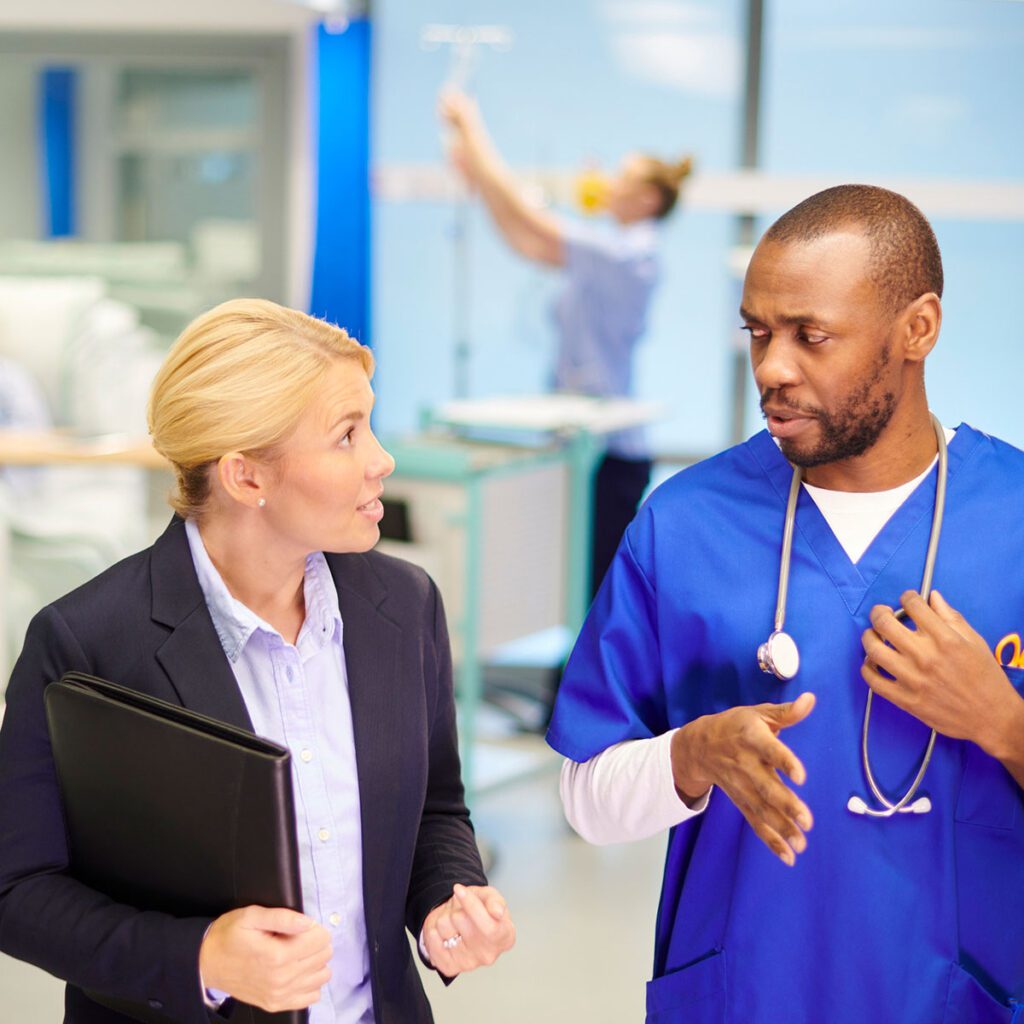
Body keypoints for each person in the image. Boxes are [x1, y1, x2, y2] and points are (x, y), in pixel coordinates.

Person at [547, 185, 1024, 1022]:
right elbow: (585, 795)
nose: (772, 366)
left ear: (919, 329)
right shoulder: (685, 523)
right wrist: (690, 757)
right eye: (758, 333)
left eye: (812, 336)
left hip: (961, 997)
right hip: (748, 996)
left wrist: (1003, 723)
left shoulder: (1014, 518)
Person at [0, 299, 515, 1024]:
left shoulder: (404, 607)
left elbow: (434, 808)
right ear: (246, 477)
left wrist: (446, 897)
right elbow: (17, 890)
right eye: (346, 436)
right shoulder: (85, 645)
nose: (381, 460)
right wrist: (202, 958)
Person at [440, 90, 693, 596]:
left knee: (593, 594)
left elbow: (532, 227)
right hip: (582, 447)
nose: (607, 182)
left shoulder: (628, 254)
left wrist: (473, 127)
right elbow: (524, 240)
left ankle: (584, 677)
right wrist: (484, 182)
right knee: (572, 590)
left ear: (648, 199)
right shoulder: (607, 250)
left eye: (623, 176)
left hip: (608, 455)